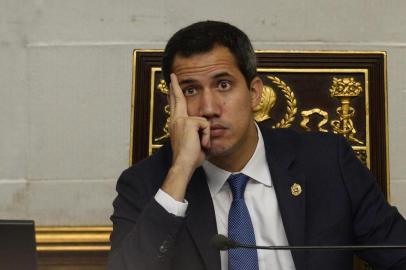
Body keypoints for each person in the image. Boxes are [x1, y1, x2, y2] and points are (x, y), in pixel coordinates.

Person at [108, 21, 406, 270]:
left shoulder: (328, 162)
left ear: (254, 93)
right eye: (190, 90)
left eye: (223, 85)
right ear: (173, 105)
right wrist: (181, 169)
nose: (208, 107)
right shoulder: (145, 185)